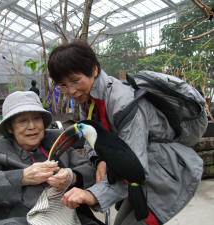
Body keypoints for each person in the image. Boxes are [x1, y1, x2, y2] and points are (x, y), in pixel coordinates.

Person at [47, 40, 203, 225]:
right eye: (62, 85)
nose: (70, 91)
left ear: (94, 70)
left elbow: (134, 165)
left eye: (75, 80)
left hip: (164, 175)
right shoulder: (88, 99)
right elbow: (93, 137)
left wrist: (92, 194)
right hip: (140, 178)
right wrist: (100, 160)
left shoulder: (123, 103)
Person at [0, 91, 102, 225]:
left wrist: (72, 176)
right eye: (22, 121)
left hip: (67, 216)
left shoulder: (56, 142)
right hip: (20, 219)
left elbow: (90, 170)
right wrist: (22, 177)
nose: (32, 126)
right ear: (10, 127)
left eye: (36, 119)